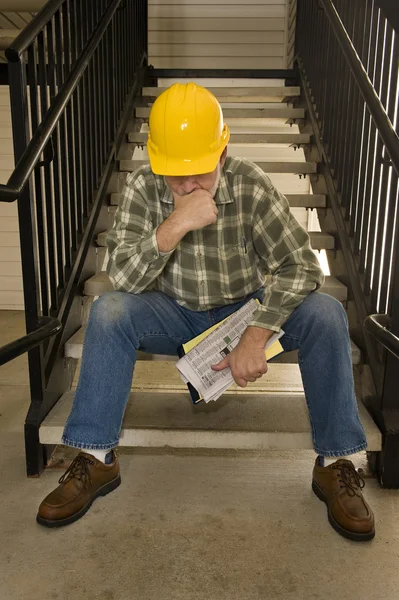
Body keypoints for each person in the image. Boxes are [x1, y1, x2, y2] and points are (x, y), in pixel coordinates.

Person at [37, 83, 374, 541]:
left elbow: (301, 266)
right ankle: (96, 458)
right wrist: (177, 223)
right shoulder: (142, 185)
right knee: (110, 310)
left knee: (326, 312)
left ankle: (335, 463)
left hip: (244, 310)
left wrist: (256, 335)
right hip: (172, 310)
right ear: (158, 163)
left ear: (222, 153)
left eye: (199, 173)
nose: (189, 186)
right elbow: (123, 278)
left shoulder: (251, 185)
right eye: (176, 176)